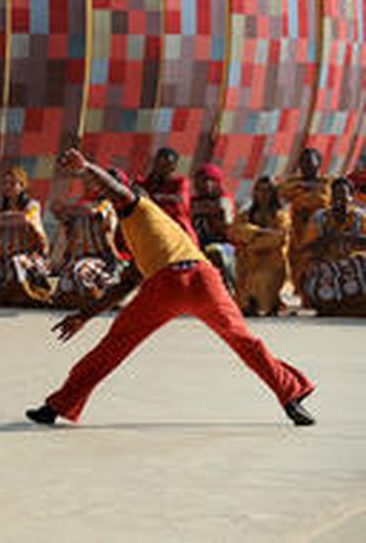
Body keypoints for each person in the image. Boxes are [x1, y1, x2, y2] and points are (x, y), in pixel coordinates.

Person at [27, 148, 316, 428]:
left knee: (113, 347)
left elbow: (116, 190)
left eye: (108, 184)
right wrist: (84, 315)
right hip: (203, 279)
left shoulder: (137, 204)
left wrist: (87, 167)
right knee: (245, 343)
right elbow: (127, 282)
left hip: (169, 283)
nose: (103, 189)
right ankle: (291, 395)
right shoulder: (142, 226)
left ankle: (57, 406)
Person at [0, 167, 53, 307]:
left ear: (22, 186)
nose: (8, 187)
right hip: (3, 259)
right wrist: (10, 218)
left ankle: (31, 293)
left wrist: (1, 219)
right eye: (5, 183)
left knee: (17, 262)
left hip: (29, 258)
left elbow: (26, 219)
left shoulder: (32, 205)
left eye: (12, 184)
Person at [49, 178, 120, 312]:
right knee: (65, 285)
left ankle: (103, 296)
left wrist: (65, 208)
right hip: (78, 258)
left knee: (81, 273)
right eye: (86, 182)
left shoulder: (106, 204)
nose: (87, 185)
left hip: (101, 259)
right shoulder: (76, 206)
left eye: (92, 182)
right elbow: (62, 218)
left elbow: (93, 212)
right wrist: (59, 210)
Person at [298, 177, 366, 316]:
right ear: (331, 197)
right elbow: (306, 247)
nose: (340, 199)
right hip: (326, 262)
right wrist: (328, 239)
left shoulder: (360, 217)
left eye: (343, 194)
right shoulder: (319, 218)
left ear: (351, 196)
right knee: (321, 277)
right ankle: (331, 307)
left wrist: (351, 238)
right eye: (336, 195)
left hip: (353, 263)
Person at [229, 176, 292, 317]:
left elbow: (278, 238)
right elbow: (234, 232)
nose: (263, 194)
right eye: (260, 190)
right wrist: (260, 232)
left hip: (271, 265)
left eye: (268, 190)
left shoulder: (281, 216)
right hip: (247, 266)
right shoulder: (245, 215)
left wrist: (251, 241)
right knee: (245, 293)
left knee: (261, 280)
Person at [280, 148, 330, 301]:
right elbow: (283, 192)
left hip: (318, 232)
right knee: (296, 265)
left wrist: (303, 193)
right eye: (303, 163)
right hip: (297, 232)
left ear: (318, 164)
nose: (306, 166)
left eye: (309, 162)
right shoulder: (292, 183)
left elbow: (323, 200)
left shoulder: (327, 183)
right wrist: (306, 188)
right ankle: (302, 294)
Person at [189, 164, 237, 294]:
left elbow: (228, 225)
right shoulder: (192, 201)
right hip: (197, 243)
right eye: (200, 180)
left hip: (223, 244)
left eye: (209, 180)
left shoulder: (223, 201)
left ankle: (227, 288)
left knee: (215, 253)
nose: (204, 184)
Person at [138, 146, 194, 242]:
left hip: (175, 231)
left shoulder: (180, 183)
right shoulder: (143, 183)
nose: (161, 168)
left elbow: (180, 201)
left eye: (166, 165)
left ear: (173, 167)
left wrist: (154, 198)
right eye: (159, 163)